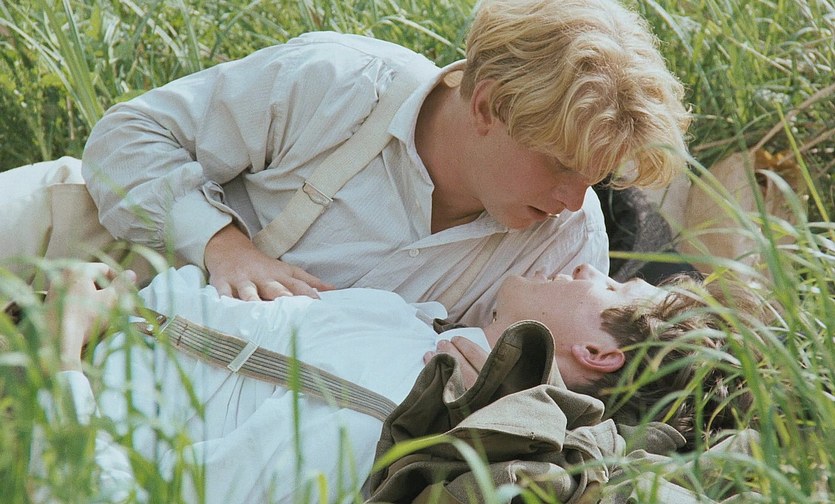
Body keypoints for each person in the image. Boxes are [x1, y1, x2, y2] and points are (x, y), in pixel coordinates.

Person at [80, 0, 691, 326]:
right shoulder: (335, 84)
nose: (574, 201)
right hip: (116, 291)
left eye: (596, 177)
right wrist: (224, 246)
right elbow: (125, 138)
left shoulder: (570, 246)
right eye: (560, 164)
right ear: (487, 105)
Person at [26, 258, 757, 503]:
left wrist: (62, 350)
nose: (589, 264)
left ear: (597, 353)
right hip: (91, 283)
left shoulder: (382, 430)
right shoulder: (418, 327)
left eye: (612, 285)